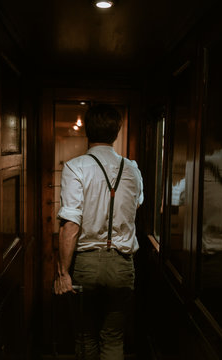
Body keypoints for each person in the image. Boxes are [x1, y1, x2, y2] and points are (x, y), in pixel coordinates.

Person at [54, 103, 144, 360]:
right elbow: (136, 204)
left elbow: (71, 225)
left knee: (85, 336)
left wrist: (63, 273)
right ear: (117, 132)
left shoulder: (75, 167)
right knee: (114, 338)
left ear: (88, 131)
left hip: (87, 264)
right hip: (122, 266)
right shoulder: (133, 169)